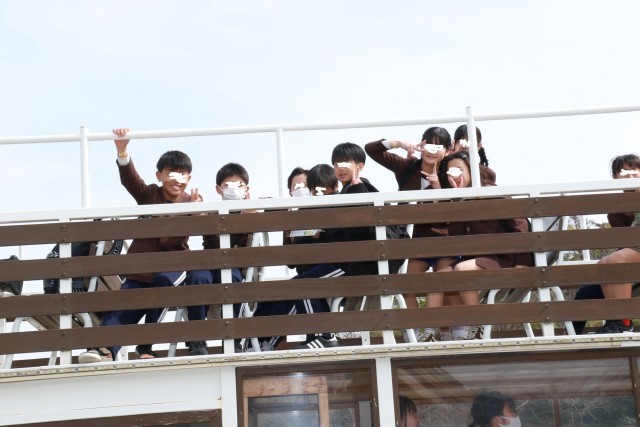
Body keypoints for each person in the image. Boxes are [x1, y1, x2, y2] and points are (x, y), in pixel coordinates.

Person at [79, 128, 213, 363]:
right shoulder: (150, 194)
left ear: (189, 179)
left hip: (173, 268)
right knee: (122, 310)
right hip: (141, 271)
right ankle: (101, 350)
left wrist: (197, 211)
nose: (176, 179)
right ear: (159, 175)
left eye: (182, 175)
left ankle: (146, 346)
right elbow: (130, 180)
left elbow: (203, 227)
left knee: (163, 282)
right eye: (171, 173)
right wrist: (122, 151)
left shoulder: (191, 202)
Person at [366, 128, 468, 341]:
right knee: (408, 285)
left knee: (444, 282)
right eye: (429, 144)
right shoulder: (408, 167)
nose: (432, 150)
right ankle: (421, 331)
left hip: (443, 236)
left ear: (447, 150)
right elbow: (371, 150)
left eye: (438, 146)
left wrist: (440, 187)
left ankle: (448, 331)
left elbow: (462, 198)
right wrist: (399, 143)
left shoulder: (449, 172)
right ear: (421, 145)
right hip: (414, 238)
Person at [433, 152, 532, 340]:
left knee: (461, 269)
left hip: (502, 259)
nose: (454, 175)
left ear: (471, 170)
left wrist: (522, 263)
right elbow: (456, 238)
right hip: (477, 260)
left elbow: (520, 225)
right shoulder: (462, 198)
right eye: (450, 172)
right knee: (437, 278)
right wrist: (458, 201)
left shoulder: (493, 193)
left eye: (458, 170)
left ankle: (477, 325)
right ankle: (436, 333)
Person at [250, 164, 346, 351]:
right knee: (273, 294)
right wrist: (289, 229)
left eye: (305, 185)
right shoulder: (299, 216)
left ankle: (321, 337)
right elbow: (292, 262)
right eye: (296, 186)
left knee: (299, 287)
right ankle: (257, 342)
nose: (302, 189)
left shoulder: (334, 205)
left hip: (334, 269)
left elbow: (337, 241)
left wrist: (318, 233)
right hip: (309, 273)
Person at [573, 154, 640, 334]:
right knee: (602, 267)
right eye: (623, 172)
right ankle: (615, 322)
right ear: (615, 177)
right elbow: (625, 245)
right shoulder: (616, 208)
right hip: (633, 254)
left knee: (615, 263)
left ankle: (623, 322)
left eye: (634, 171)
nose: (630, 176)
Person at [203, 163, 253, 320]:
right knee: (198, 278)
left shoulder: (252, 214)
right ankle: (197, 330)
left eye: (239, 185)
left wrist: (250, 222)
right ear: (218, 189)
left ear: (247, 189)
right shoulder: (211, 214)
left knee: (233, 277)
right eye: (228, 184)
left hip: (236, 269)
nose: (234, 189)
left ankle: (236, 330)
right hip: (211, 266)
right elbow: (209, 246)